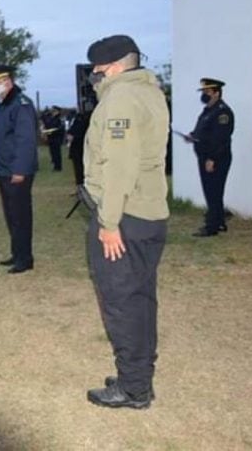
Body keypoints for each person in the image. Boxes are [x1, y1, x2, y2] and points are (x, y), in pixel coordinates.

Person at [81, 34, 169, 409]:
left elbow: (119, 167)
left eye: (97, 70)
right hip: (148, 214)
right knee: (141, 299)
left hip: (126, 217)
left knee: (122, 302)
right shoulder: (149, 92)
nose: (94, 78)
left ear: (113, 67)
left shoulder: (121, 99)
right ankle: (137, 375)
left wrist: (109, 221)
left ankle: (133, 389)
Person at [0, 65, 38, 274]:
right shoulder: (3, 105)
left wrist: (20, 169)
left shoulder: (21, 104)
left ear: (9, 81)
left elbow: (25, 140)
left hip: (16, 170)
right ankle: (17, 253)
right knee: (11, 215)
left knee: (20, 215)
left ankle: (25, 258)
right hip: (4, 169)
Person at [187, 78, 235, 237]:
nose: (204, 95)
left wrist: (212, 159)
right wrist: (193, 136)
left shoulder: (222, 112)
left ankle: (212, 226)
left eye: (207, 92)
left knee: (213, 191)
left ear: (216, 92)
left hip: (216, 159)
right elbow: (203, 131)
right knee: (210, 191)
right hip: (205, 156)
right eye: (203, 92)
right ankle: (219, 221)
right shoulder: (208, 110)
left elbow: (220, 139)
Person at [67, 110, 91, 186]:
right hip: (75, 148)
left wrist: (73, 137)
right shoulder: (76, 118)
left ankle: (82, 184)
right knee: (77, 168)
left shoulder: (83, 119)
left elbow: (83, 132)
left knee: (81, 168)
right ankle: (79, 185)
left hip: (80, 147)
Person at [41, 107, 64, 171]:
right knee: (53, 153)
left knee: (57, 153)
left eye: (54, 111)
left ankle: (58, 167)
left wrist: (52, 131)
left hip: (56, 138)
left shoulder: (59, 119)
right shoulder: (52, 118)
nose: (53, 112)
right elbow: (48, 124)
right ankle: (55, 166)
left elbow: (60, 128)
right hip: (51, 138)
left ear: (57, 111)